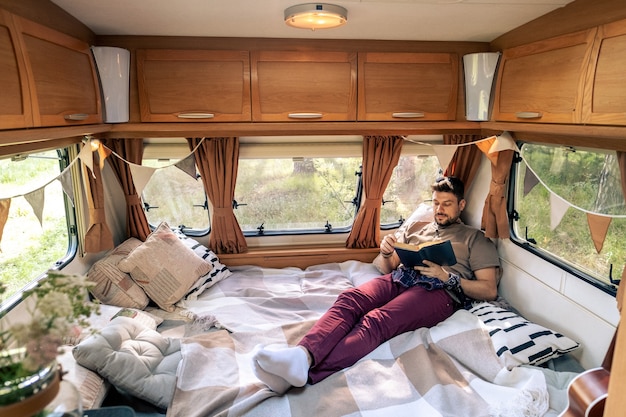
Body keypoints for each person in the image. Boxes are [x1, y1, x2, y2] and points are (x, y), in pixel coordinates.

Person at [252, 176, 501, 393]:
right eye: (436, 203)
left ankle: (308, 375)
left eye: (447, 204)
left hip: (439, 291)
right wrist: (385, 252)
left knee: (377, 320)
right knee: (350, 299)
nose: (440, 209)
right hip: (402, 277)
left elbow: (489, 289)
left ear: (461, 205)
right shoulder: (419, 229)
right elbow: (387, 267)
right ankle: (302, 355)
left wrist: (447, 277)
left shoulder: (474, 239)